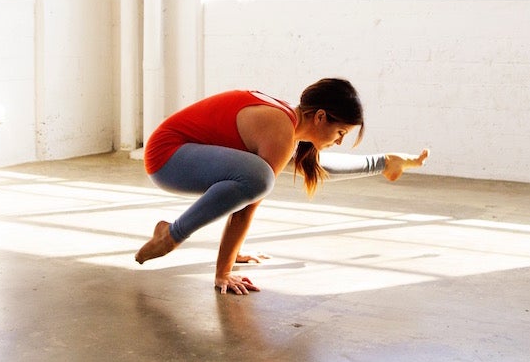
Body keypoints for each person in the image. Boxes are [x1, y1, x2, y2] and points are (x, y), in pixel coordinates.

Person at [135, 78, 429, 294]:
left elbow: (316, 166)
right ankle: (170, 235)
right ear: (320, 117)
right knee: (261, 178)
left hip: (181, 153)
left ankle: (176, 236)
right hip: (167, 157)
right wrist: (224, 272)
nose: (340, 141)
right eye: (340, 133)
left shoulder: (290, 124)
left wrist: (385, 162)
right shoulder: (280, 132)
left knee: (258, 177)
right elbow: (247, 204)